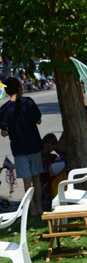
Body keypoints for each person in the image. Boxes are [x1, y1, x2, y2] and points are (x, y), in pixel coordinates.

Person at [0, 77, 43, 215]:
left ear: (6, 91)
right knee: (36, 177)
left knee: (26, 180)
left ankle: (31, 210)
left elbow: (4, 133)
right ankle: (40, 207)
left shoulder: (4, 109)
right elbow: (39, 120)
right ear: (19, 88)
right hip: (34, 144)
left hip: (18, 147)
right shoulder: (28, 102)